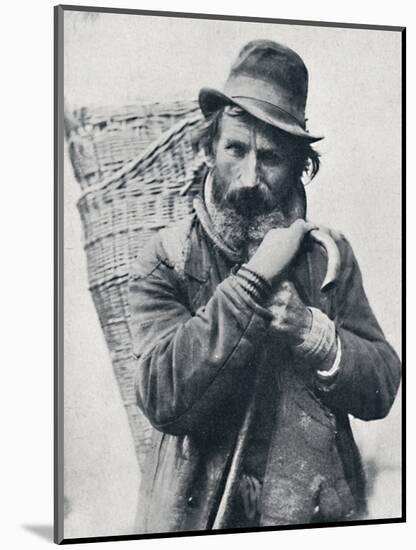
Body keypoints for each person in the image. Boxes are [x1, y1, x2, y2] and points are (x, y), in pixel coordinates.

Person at [128, 40, 401, 533]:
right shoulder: (166, 258)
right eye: (235, 149)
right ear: (209, 149)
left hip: (318, 516)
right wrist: (253, 281)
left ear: (301, 166)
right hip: (198, 520)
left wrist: (314, 334)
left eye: (271, 157)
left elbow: (381, 385)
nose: (250, 177)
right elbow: (162, 396)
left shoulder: (327, 257)